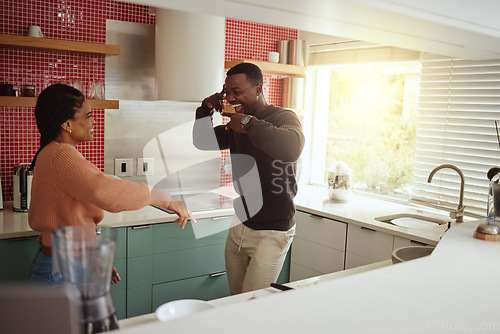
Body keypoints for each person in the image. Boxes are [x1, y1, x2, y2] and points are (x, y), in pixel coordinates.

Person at [28, 83, 195, 286]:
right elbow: (105, 192)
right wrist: (165, 199)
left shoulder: (53, 152)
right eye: (88, 116)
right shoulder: (61, 154)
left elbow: (72, 217)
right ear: (66, 124)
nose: (94, 121)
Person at [193, 63, 305, 294]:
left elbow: (292, 147)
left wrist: (246, 123)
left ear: (258, 89)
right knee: (236, 298)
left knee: (254, 301)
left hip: (273, 230)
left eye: (237, 91)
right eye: (227, 92)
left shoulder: (282, 117)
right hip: (240, 222)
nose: (231, 98)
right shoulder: (236, 123)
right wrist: (205, 110)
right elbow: (202, 141)